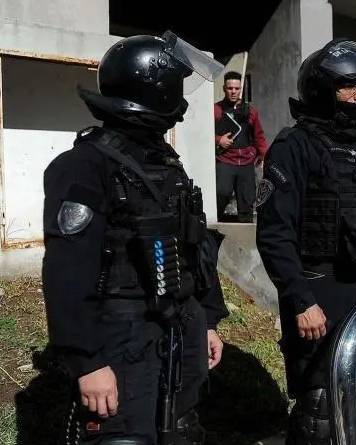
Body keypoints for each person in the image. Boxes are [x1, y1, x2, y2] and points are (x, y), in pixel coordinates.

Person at [42, 31, 228, 444]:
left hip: (180, 328)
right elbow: (66, 273)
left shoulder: (165, 164)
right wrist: (87, 362)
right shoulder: (85, 165)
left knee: (181, 432)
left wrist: (208, 320)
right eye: (174, 85)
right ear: (153, 86)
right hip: (121, 339)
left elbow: (194, 248)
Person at [255, 39, 356, 445]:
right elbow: (275, 232)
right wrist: (300, 300)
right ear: (321, 89)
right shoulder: (293, 147)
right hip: (322, 293)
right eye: (348, 87)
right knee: (320, 409)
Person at [214, 71, 268, 223]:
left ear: (241, 89)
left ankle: (246, 242)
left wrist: (264, 156)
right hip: (225, 160)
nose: (233, 91)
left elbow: (259, 136)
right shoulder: (216, 110)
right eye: (230, 88)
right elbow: (203, 133)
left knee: (247, 201)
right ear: (224, 88)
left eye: (236, 88)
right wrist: (218, 140)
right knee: (221, 194)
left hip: (246, 162)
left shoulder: (251, 112)